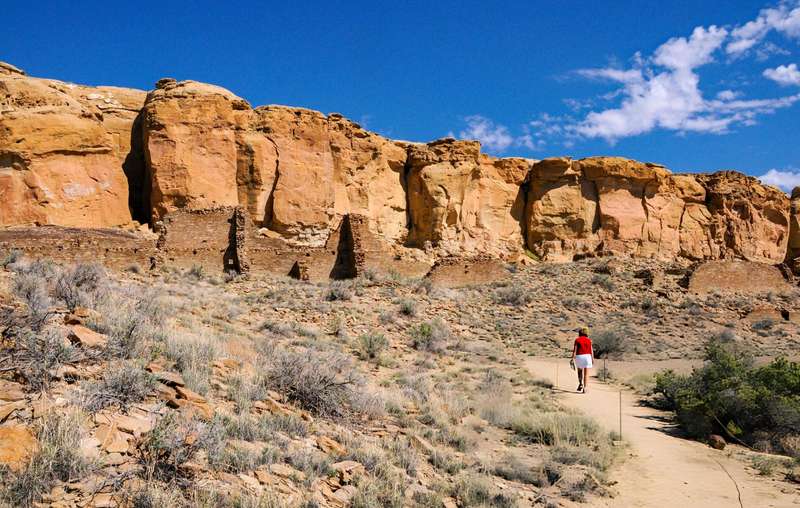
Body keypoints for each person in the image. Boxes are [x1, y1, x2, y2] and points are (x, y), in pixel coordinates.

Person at [571, 327, 594, 393]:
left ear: (580, 333)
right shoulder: (589, 340)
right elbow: (591, 350)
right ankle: (585, 388)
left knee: (579, 371)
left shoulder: (577, 340)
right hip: (587, 357)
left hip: (579, 356)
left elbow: (575, 350)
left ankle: (580, 383)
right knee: (586, 374)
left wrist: (572, 358)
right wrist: (592, 358)